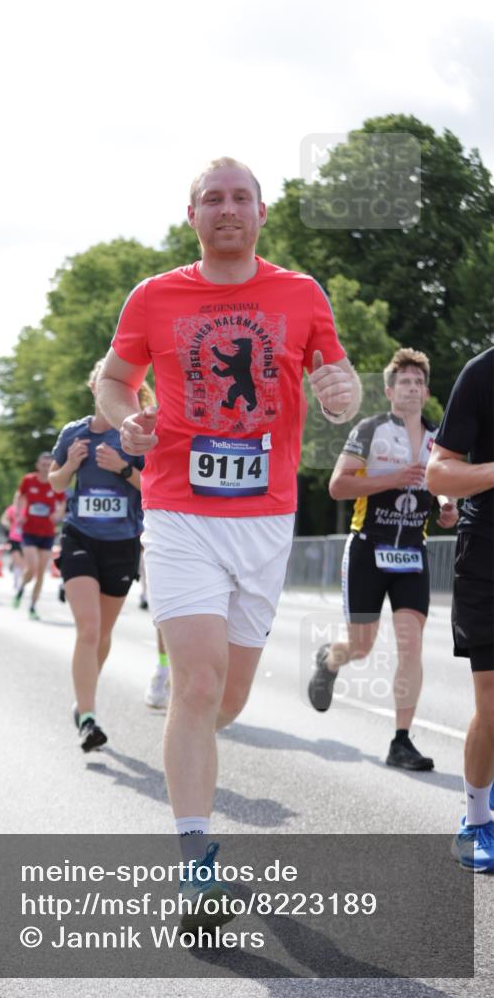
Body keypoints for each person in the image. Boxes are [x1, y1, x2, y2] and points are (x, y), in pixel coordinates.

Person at [97, 157, 361, 925]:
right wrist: (127, 418)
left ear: (261, 212)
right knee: (198, 685)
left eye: (239, 197)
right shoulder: (154, 297)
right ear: (191, 216)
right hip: (178, 511)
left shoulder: (300, 293)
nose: (226, 209)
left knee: (229, 698)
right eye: (211, 199)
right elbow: (111, 381)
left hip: (265, 518)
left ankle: (190, 749)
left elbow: (335, 377)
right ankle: (193, 862)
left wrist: (342, 389)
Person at [307, 348, 458, 769]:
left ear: (426, 391)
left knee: (411, 645)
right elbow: (338, 486)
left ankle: (401, 741)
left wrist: (446, 506)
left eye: (418, 382)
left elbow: (444, 484)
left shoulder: (437, 438)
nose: (411, 388)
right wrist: (394, 478)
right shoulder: (369, 430)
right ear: (390, 391)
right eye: (403, 382)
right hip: (368, 550)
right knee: (361, 645)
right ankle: (330, 658)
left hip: (412, 553)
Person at [49, 360, 148, 751]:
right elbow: (55, 482)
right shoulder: (74, 433)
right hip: (80, 537)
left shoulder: (137, 436)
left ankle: (82, 696)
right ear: (96, 388)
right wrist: (71, 464)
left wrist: (124, 470)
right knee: (88, 629)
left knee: (102, 634)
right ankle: (88, 718)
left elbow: (155, 487)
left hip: (122, 542)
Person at [426, 347, 494, 872]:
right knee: (492, 705)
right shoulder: (482, 372)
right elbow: (439, 474)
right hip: (488, 555)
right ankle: (475, 820)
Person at [13, 455, 65, 620]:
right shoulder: (28, 480)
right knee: (32, 567)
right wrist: (19, 514)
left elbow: (63, 501)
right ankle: (21, 587)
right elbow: (19, 497)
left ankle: (33, 606)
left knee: (41, 572)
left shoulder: (54, 482)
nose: (45, 467)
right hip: (29, 531)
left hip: (47, 533)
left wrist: (58, 514)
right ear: (37, 465)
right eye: (43, 464)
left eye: (49, 465)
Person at [1, 500, 24, 591]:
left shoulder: (29, 507)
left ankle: (19, 579)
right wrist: (8, 524)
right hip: (14, 538)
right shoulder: (12, 508)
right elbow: (4, 519)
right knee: (17, 560)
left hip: (26, 539)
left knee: (22, 562)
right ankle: (17, 582)